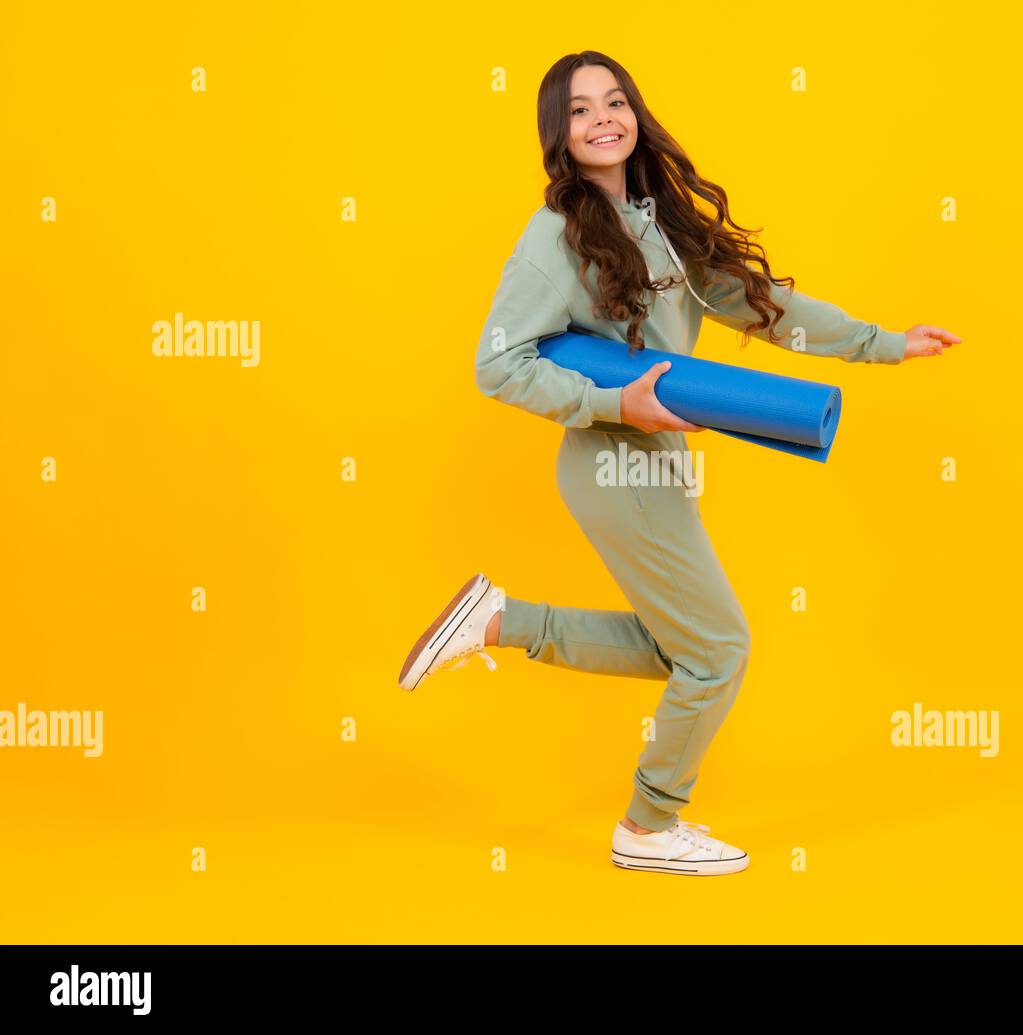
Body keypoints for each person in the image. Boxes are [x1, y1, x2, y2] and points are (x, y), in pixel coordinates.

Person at [397, 51, 961, 876]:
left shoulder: (655, 219)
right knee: (721, 649)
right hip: (608, 462)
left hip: (662, 461)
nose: (603, 119)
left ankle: (499, 622)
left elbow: (759, 304)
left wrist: (882, 345)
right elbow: (498, 364)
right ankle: (649, 825)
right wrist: (613, 404)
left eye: (615, 101)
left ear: (635, 114)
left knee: (682, 649)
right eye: (581, 109)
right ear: (559, 133)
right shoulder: (553, 234)